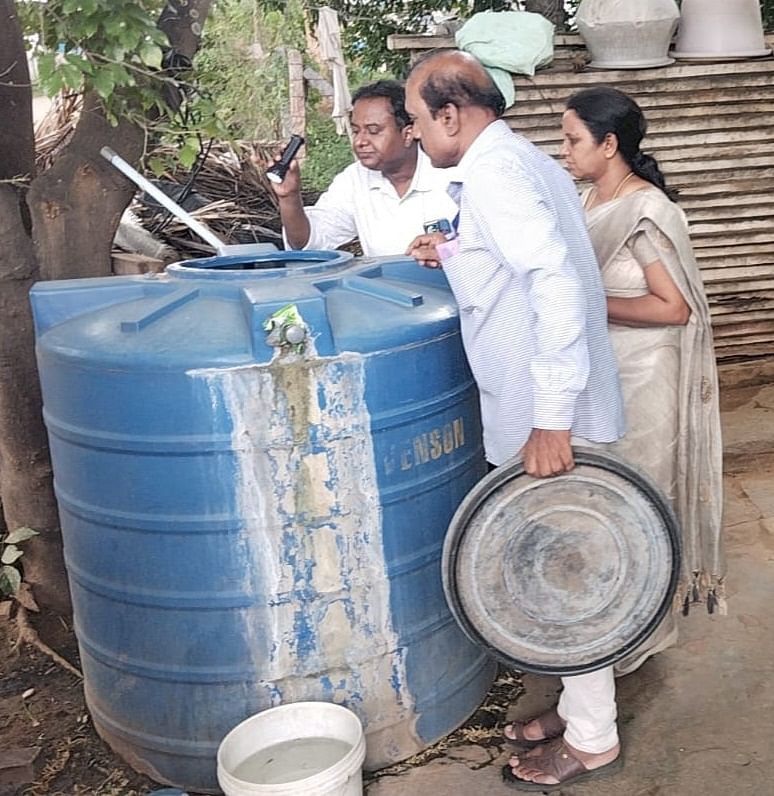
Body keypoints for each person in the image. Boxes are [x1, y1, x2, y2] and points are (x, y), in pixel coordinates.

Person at [404, 50, 626, 790]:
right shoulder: (513, 161)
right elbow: (520, 260)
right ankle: (580, 705)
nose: (411, 133)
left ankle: (594, 738)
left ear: (450, 114)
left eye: (413, 118)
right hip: (537, 403)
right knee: (561, 563)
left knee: (568, 573)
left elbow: (556, 278)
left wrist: (552, 418)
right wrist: (456, 252)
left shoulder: (497, 172)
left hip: (547, 413)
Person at [558, 86, 724, 675]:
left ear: (609, 144)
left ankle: (637, 639)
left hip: (646, 373)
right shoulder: (583, 203)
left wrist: (588, 304)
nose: (564, 150)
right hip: (602, 375)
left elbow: (673, 308)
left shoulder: (648, 210)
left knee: (641, 505)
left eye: (573, 139)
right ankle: (606, 629)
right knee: (603, 509)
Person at [267, 80, 459, 256]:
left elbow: (483, 246)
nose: (359, 141)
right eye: (356, 130)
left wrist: (448, 251)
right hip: (386, 292)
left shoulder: (451, 175)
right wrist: (289, 197)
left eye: (374, 131)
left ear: (408, 134)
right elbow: (309, 243)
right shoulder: (354, 180)